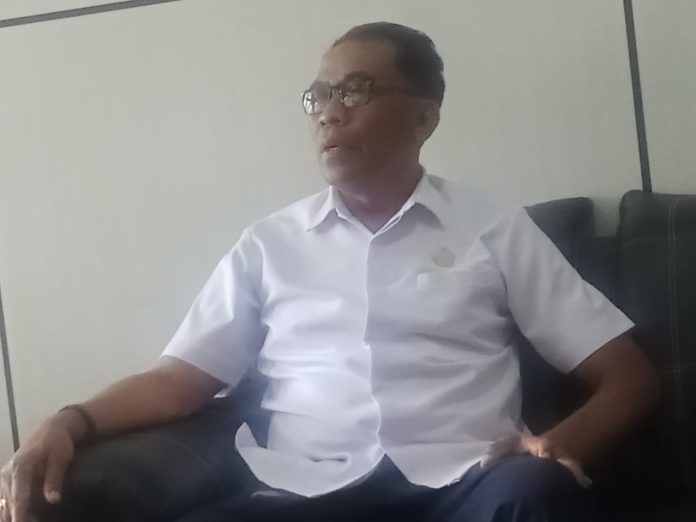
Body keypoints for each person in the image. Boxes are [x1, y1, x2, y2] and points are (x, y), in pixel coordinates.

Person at [0, 22, 659, 522]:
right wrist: (67, 423)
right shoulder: (271, 244)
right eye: (319, 95)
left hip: (467, 483)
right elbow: (178, 382)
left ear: (424, 116)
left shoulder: (492, 227)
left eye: (356, 90)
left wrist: (557, 445)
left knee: (536, 491)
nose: (329, 112)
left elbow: (626, 376)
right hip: (308, 488)